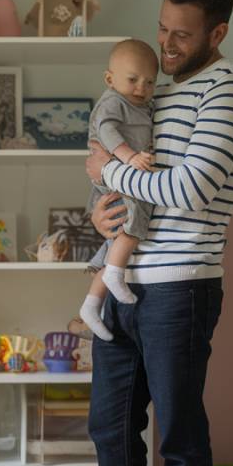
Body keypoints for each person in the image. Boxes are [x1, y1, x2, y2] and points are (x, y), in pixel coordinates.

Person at [78, 0, 233, 466]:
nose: (166, 46)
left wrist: (111, 171)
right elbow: (115, 177)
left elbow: (188, 189)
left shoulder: (230, 91)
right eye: (162, 29)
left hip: (182, 286)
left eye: (181, 35)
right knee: (109, 429)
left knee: (179, 433)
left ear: (218, 32)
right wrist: (98, 205)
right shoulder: (150, 92)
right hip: (126, 279)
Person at [80, 39, 159, 341]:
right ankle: (113, 274)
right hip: (115, 173)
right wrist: (130, 157)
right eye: (133, 79)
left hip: (122, 175)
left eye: (149, 81)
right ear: (110, 79)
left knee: (117, 241)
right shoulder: (113, 102)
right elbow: (106, 132)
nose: (141, 87)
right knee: (134, 223)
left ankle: (91, 303)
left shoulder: (143, 104)